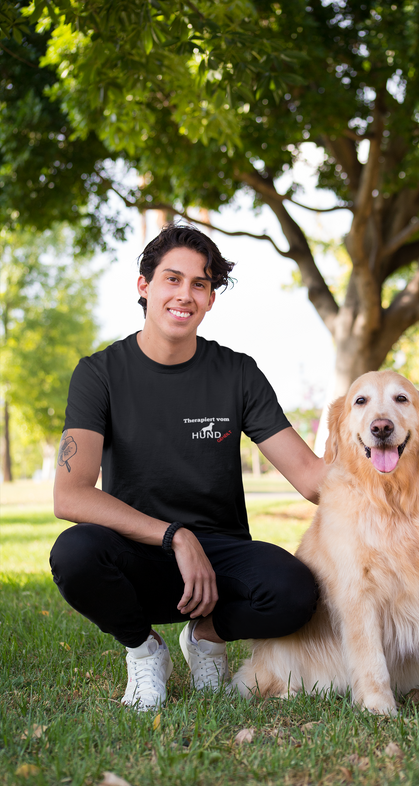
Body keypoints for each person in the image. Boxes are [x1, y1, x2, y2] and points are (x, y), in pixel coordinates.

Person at [50, 223, 326, 711]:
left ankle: (205, 636)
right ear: (144, 285)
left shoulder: (238, 373)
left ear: (211, 299)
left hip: (219, 561)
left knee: (295, 592)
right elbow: (70, 495)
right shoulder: (99, 373)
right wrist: (176, 536)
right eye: (172, 279)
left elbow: (310, 477)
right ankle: (145, 650)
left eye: (200, 284)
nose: (185, 295)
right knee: (74, 554)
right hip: (137, 551)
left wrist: (387, 454)